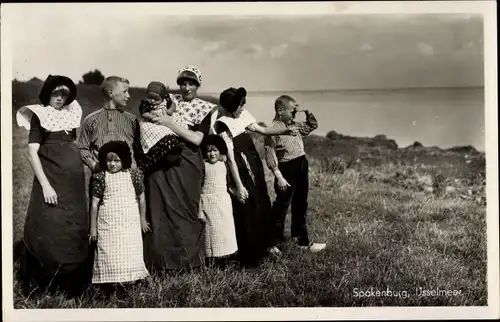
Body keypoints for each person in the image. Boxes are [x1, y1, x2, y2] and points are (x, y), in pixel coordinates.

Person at [16, 75, 91, 297]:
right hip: (51, 182)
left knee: (73, 226)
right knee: (50, 225)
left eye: (64, 94)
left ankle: (71, 281)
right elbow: (32, 154)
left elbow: (72, 144)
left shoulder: (71, 114)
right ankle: (44, 281)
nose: (59, 98)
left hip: (73, 185)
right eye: (55, 93)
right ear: (47, 93)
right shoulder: (41, 116)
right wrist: (47, 186)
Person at [140, 65, 220, 271]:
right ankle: (160, 263)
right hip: (162, 159)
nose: (186, 87)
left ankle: (188, 262)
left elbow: (196, 138)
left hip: (188, 162)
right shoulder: (169, 101)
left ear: (198, 85)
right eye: (183, 83)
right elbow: (147, 116)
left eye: (191, 83)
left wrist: (169, 123)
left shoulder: (205, 108)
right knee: (160, 210)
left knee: (187, 210)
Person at [213, 87, 296, 267]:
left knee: (262, 201)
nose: (243, 108)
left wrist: (286, 131)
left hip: (253, 163)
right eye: (240, 105)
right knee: (248, 206)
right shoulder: (223, 124)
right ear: (231, 107)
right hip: (240, 168)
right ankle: (250, 252)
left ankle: (266, 244)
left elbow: (263, 131)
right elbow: (230, 159)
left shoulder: (242, 116)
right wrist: (239, 185)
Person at [264, 95, 326, 253]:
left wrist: (307, 112)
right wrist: (279, 177)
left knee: (301, 203)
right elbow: (270, 154)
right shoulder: (273, 129)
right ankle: (272, 244)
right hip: (286, 169)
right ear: (280, 110)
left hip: (301, 165)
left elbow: (312, 125)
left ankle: (302, 241)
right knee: (282, 205)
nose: (294, 114)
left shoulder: (295, 125)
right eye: (292, 112)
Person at [89, 141, 150, 289]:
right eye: (109, 160)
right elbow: (94, 204)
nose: (112, 164)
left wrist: (142, 220)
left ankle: (132, 281)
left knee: (130, 251)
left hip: (130, 223)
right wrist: (93, 228)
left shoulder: (133, 175)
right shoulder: (101, 177)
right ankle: (109, 285)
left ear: (124, 160)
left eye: (117, 160)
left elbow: (141, 198)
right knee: (109, 251)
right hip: (108, 223)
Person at [77, 76, 139, 179]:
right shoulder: (90, 120)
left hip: (127, 178)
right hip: (101, 179)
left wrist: (134, 167)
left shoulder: (131, 120)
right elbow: (83, 148)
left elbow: (138, 148)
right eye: (125, 91)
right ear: (111, 93)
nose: (128, 96)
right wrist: (93, 165)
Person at [198, 135, 238, 269]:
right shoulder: (203, 166)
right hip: (208, 201)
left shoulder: (224, 163)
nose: (212, 153)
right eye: (209, 151)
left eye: (215, 150)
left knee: (224, 231)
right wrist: (200, 210)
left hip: (223, 201)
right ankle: (211, 263)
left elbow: (228, 182)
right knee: (211, 233)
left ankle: (226, 260)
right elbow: (198, 189)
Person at [137, 81, 189, 173]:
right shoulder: (145, 103)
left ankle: (173, 148)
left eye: (156, 99)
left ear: (162, 97)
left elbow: (173, 104)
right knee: (148, 130)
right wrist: (153, 117)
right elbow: (144, 113)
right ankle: (158, 151)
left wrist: (170, 111)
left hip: (166, 118)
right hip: (152, 121)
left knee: (173, 128)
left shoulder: (167, 99)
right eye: (150, 98)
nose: (152, 101)